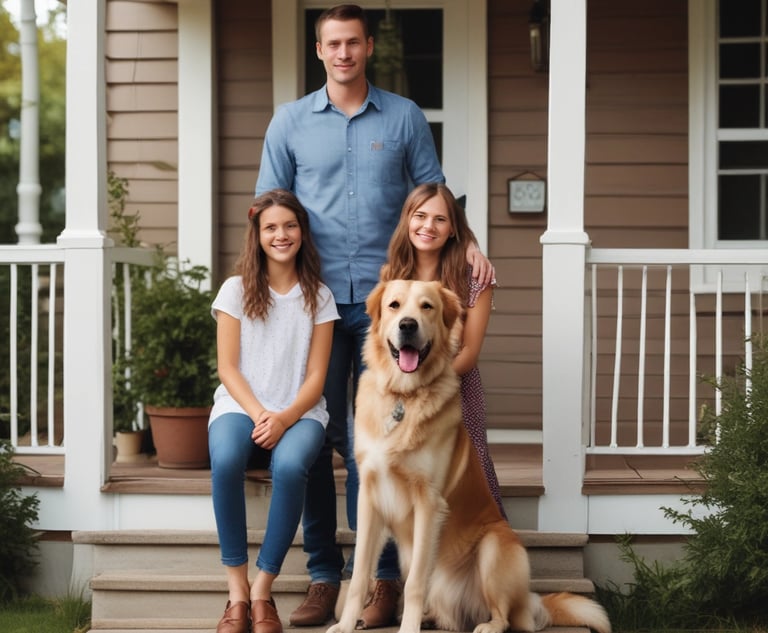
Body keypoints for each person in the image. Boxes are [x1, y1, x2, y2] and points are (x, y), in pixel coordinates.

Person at [255, 4, 494, 628]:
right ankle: (323, 577)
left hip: (394, 308)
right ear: (319, 50)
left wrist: (470, 246)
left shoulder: (405, 117)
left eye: (353, 43)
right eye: (332, 44)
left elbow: (435, 196)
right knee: (318, 439)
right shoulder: (289, 123)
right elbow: (269, 210)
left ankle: (384, 584)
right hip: (321, 309)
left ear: (367, 49)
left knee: (390, 447)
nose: (343, 54)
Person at [208, 189, 339, 633]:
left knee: (289, 466)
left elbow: (317, 378)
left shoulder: (318, 296)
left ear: (302, 232)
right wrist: (261, 412)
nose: (280, 235)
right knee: (225, 459)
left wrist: (283, 418)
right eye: (271, 228)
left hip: (301, 411)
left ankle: (263, 589)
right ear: (257, 234)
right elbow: (227, 368)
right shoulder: (236, 289)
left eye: (289, 226)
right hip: (241, 404)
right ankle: (236, 594)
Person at [380, 182, 506, 517]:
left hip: (455, 388)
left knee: (466, 480)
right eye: (420, 216)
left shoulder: (474, 277)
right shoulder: (391, 275)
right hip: (402, 395)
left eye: (440, 219)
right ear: (407, 221)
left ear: (453, 230)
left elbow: (470, 350)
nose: (428, 226)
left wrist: (426, 384)